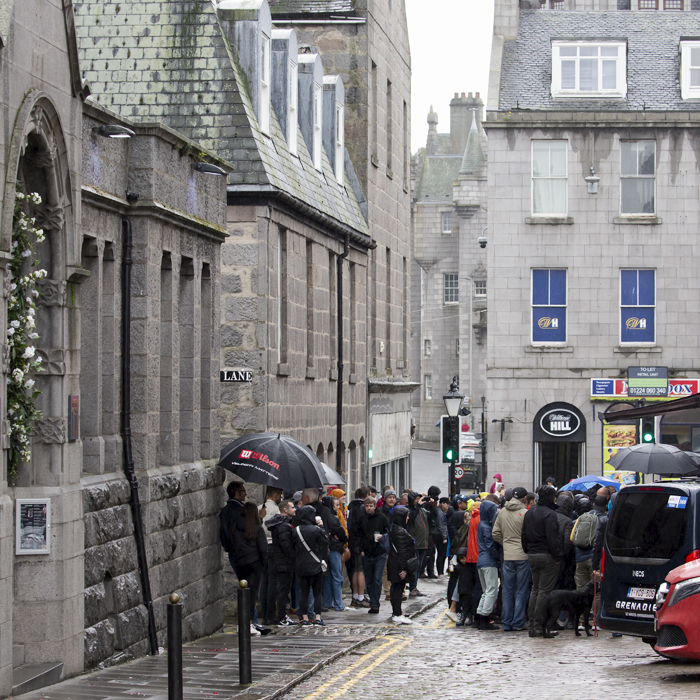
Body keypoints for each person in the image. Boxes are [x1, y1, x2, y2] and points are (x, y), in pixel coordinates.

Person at [521, 485, 562, 638]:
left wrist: (527, 550)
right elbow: (553, 539)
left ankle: (532, 624)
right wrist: (557, 556)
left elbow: (523, 535)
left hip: (532, 554)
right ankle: (539, 625)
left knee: (535, 590)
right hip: (546, 555)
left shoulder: (530, 512)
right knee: (544, 591)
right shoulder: (550, 514)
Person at [492, 486, 530, 632]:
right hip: (522, 555)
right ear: (524, 498)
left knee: (507, 590)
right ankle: (518, 621)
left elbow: (495, 533)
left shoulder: (502, 512)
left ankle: (507, 622)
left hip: (507, 555)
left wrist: (506, 543)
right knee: (521, 590)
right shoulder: (525, 513)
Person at [232, 501, 268, 636]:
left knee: (243, 593)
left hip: (241, 562)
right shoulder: (257, 528)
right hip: (255, 563)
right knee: (252, 595)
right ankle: (247, 623)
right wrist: (264, 563)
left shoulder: (236, 527)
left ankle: (242, 623)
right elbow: (263, 548)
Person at [293, 505, 329, 626]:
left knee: (304, 592)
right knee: (317, 592)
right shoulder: (316, 530)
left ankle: (304, 618)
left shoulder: (296, 530)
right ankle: (317, 617)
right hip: (315, 564)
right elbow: (325, 543)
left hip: (301, 565)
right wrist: (322, 526)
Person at [265, 499, 296, 625]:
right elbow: (285, 545)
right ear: (285, 510)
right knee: (282, 590)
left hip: (277, 559)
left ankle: (273, 615)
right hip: (283, 561)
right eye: (292, 507)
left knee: (276, 588)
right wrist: (293, 556)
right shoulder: (283, 525)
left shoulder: (280, 524)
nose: (294, 509)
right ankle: (281, 616)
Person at [359, 496, 390, 614]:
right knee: (370, 580)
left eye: (370, 506)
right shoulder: (362, 518)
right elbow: (358, 535)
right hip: (366, 553)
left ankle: (375, 603)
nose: (368, 508)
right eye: (367, 506)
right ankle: (373, 602)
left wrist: (383, 540)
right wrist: (360, 549)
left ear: (374, 506)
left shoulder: (381, 518)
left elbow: (388, 532)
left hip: (379, 552)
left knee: (377, 579)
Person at [387, 506, 414, 625]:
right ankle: (397, 613)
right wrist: (404, 568)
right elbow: (402, 552)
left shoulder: (396, 529)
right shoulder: (400, 531)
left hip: (395, 563)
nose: (408, 518)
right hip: (398, 565)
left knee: (396, 588)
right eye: (406, 515)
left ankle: (397, 612)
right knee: (397, 589)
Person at [475, 499, 501, 630]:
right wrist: (498, 557)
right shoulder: (486, 526)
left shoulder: (481, 524)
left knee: (486, 591)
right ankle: (485, 617)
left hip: (481, 559)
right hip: (489, 561)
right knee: (492, 590)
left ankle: (479, 616)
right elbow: (490, 545)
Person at [259, 487, 283, 624]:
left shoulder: (259, 508)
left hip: (262, 547)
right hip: (272, 546)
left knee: (264, 581)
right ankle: (270, 614)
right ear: (275, 495)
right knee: (273, 581)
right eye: (280, 495)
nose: (281, 498)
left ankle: (263, 611)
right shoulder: (275, 510)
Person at [575, 493, 609, 588]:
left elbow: (572, 536)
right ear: (606, 506)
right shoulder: (604, 520)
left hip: (579, 557)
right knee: (596, 589)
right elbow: (599, 543)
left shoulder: (583, 517)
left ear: (593, 504)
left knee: (581, 589)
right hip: (594, 558)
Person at [322, 496, 347, 611]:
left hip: (325, 549)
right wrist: (342, 539)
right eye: (336, 505)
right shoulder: (333, 518)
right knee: (337, 576)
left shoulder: (322, 517)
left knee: (327, 577)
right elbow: (342, 534)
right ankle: (338, 604)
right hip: (334, 549)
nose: (337, 508)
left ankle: (327, 602)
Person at [347, 486, 370, 608]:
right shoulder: (362, 508)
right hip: (360, 543)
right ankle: (361, 597)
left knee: (355, 570)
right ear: (366, 496)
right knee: (361, 571)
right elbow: (364, 527)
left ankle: (355, 596)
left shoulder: (351, 507)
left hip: (352, 542)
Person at [220, 481, 246, 576]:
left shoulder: (225, 510)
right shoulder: (240, 510)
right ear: (236, 493)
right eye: (243, 491)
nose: (245, 494)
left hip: (233, 551)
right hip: (243, 551)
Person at [406, 491, 430, 597]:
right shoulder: (411, 510)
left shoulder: (423, 510)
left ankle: (414, 586)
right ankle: (413, 587)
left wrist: (430, 503)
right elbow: (411, 518)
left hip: (423, 542)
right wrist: (417, 506)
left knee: (419, 566)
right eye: (416, 499)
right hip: (415, 543)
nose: (418, 501)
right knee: (414, 567)